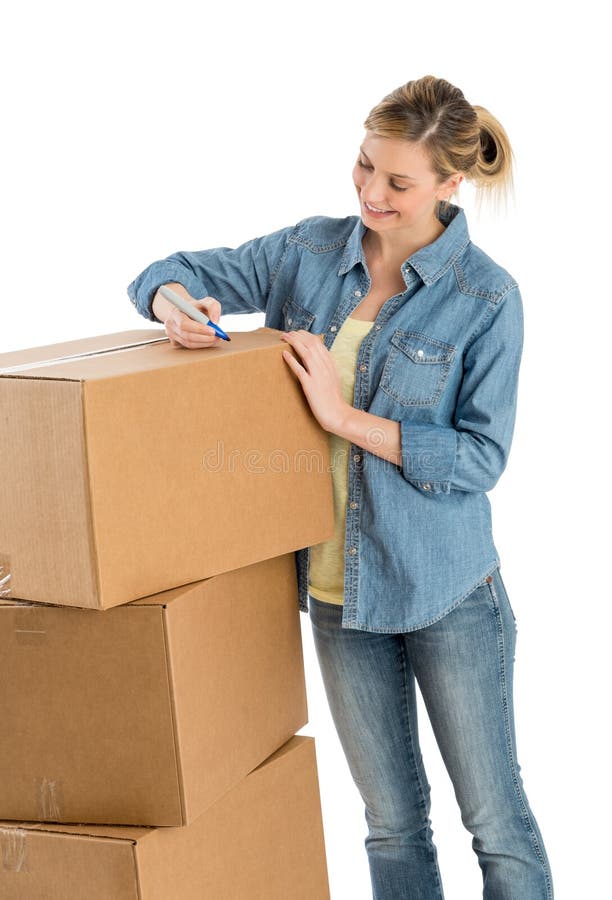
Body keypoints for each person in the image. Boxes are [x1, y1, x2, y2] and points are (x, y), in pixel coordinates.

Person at [127, 74, 554, 900]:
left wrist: (341, 415)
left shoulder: (485, 297)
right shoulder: (308, 253)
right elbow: (164, 269)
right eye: (363, 167)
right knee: (390, 824)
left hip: (446, 593)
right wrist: (175, 305)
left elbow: (478, 458)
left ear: (449, 184)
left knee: (495, 824)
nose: (370, 193)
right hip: (335, 594)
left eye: (397, 182)